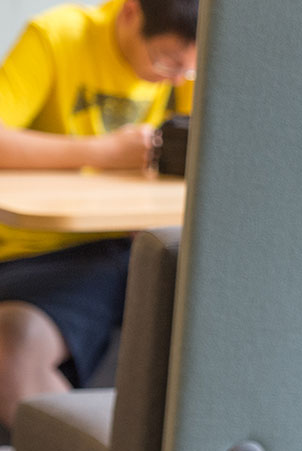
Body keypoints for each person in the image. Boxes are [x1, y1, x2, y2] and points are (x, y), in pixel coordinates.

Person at [0, 0, 197, 428]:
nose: (176, 78)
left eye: (188, 69)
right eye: (165, 59)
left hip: (110, 246)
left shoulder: (185, 71)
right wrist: (102, 152)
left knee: (13, 351)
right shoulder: (59, 36)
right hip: (27, 247)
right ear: (130, 13)